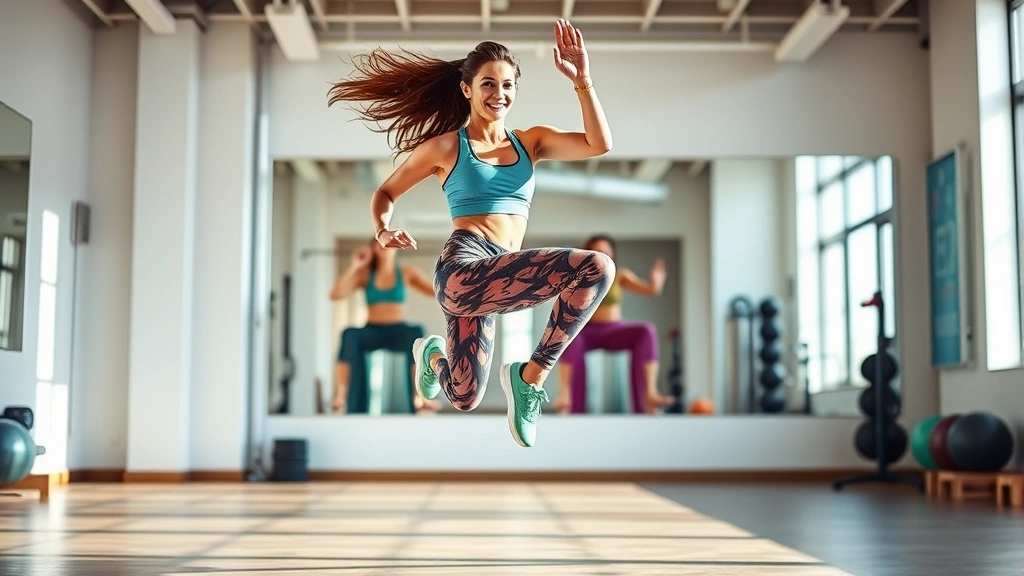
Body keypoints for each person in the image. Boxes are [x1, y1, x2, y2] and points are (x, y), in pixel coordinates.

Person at [326, 19, 615, 447]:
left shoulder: (530, 142)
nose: (499, 94)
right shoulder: (447, 147)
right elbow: (387, 191)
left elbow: (598, 144)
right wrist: (382, 229)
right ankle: (526, 378)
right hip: (463, 268)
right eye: (488, 84)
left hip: (501, 273)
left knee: (463, 395)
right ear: (467, 90)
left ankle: (439, 357)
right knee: (596, 266)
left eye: (508, 85)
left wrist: (584, 81)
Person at [553, 234, 675, 415]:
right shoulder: (580, 277)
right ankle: (567, 397)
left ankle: (649, 394)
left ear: (612, 255)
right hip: (588, 332)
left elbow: (650, 289)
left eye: (605, 251)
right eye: (597, 251)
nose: (601, 254)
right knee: (568, 333)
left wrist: (657, 282)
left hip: (615, 330)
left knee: (646, 331)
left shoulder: (620, 275)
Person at [329, 240, 440, 415]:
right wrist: (354, 266)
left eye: (389, 244)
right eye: (380, 243)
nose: (385, 247)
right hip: (372, 331)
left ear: (396, 248)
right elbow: (335, 295)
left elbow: (435, 292)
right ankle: (342, 396)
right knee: (349, 335)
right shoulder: (365, 275)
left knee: (418, 333)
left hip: (399, 332)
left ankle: (422, 399)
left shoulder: (406, 273)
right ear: (374, 249)